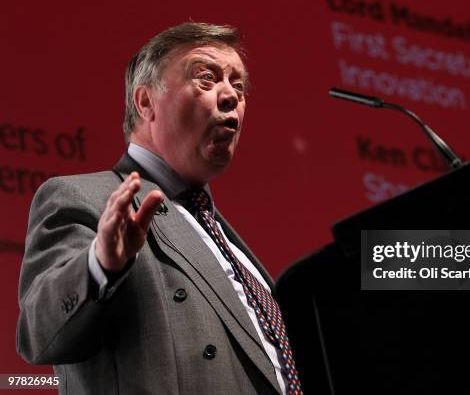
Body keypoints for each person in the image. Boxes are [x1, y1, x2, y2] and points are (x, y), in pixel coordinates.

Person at [17, 22, 302, 395]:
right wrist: (98, 266)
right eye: (207, 77)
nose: (231, 95)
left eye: (239, 85)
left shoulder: (228, 242)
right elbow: (38, 335)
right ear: (146, 102)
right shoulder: (82, 196)